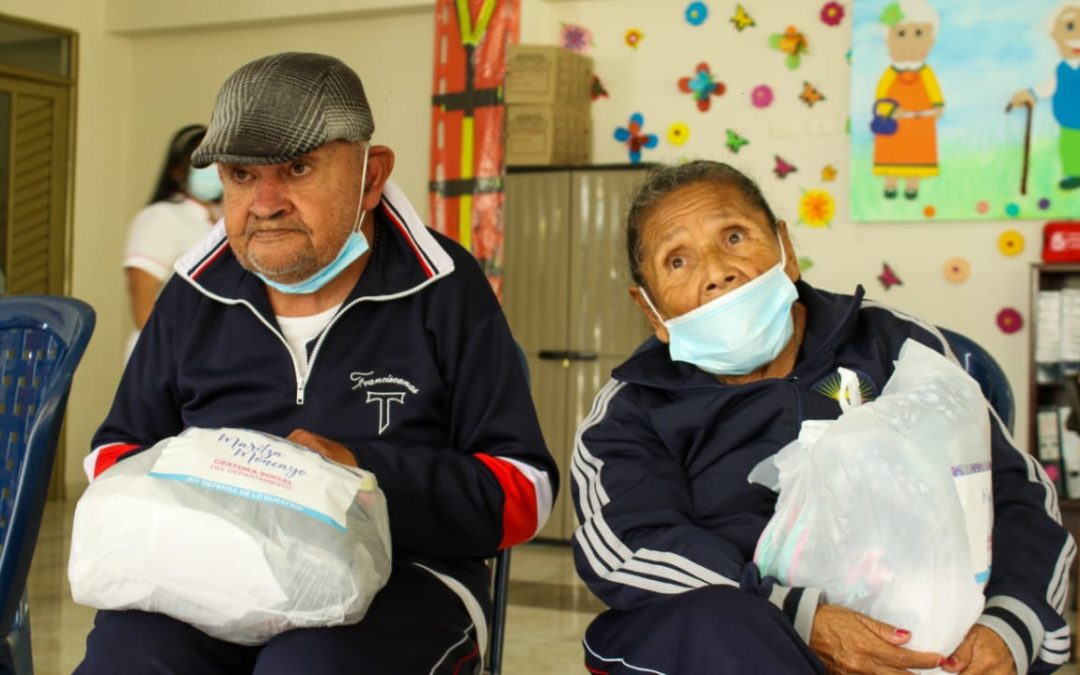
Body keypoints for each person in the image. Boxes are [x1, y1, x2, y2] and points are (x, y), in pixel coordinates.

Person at [77, 52, 556, 674]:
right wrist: (219, 484)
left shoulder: (443, 287)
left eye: (298, 168)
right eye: (242, 175)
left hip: (404, 577)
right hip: (208, 571)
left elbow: (522, 490)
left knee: (310, 665)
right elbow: (114, 453)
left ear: (371, 173)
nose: (266, 202)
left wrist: (362, 474)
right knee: (129, 656)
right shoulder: (196, 290)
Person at [571, 160, 1073, 675]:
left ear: (786, 251)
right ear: (652, 310)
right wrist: (797, 615)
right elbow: (629, 545)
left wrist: (1008, 625)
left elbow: (1013, 492)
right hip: (734, 639)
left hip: (921, 642)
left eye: (735, 236)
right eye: (677, 261)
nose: (716, 270)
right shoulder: (632, 409)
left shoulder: (894, 345)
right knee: (718, 623)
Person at [122, 124, 223, 358]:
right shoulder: (161, 216)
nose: (213, 169)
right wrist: (169, 358)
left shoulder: (224, 219)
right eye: (202, 162)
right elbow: (141, 296)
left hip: (209, 353)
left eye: (218, 160)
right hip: (168, 355)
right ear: (177, 171)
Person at [872, 0, 945, 200]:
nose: (909, 42)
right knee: (892, 154)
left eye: (919, 34)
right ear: (889, 40)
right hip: (895, 124)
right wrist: (890, 111)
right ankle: (890, 184)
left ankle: (912, 186)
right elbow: (881, 96)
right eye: (901, 34)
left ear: (930, 40)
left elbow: (934, 93)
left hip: (919, 123)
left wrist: (937, 107)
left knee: (917, 154)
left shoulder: (926, 73)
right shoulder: (890, 73)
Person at [1009, 1, 1080, 191]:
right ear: (1055, 36)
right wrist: (1029, 94)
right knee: (1070, 148)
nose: (1077, 37)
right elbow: (1048, 87)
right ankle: (1075, 175)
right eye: (1070, 27)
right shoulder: (1062, 69)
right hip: (1069, 121)